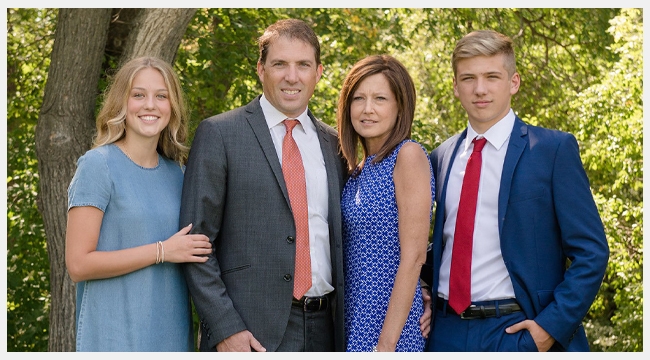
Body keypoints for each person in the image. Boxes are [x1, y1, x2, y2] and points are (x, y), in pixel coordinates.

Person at [420, 29, 609, 351]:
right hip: (444, 331)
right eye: (468, 78)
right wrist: (422, 286)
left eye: (492, 76)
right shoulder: (441, 156)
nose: (480, 89)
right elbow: (447, 243)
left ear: (514, 82)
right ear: (455, 86)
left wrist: (549, 328)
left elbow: (591, 252)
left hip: (516, 330)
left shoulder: (552, 150)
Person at [179, 18, 347, 352]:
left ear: (319, 72)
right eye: (279, 64)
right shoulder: (220, 134)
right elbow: (195, 244)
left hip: (327, 329)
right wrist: (225, 328)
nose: (292, 76)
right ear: (260, 69)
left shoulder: (335, 144)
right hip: (248, 332)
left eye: (303, 65)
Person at [65, 56, 213, 351]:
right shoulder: (98, 165)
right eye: (138, 95)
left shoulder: (179, 174)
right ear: (122, 103)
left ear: (172, 107)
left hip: (171, 338)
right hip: (113, 338)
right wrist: (162, 251)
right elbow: (78, 265)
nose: (150, 105)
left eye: (161, 96)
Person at [337, 54, 434, 352]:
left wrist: (386, 344)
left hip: (389, 329)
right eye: (359, 98)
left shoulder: (408, 156)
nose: (367, 109)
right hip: (353, 317)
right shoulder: (357, 170)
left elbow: (415, 256)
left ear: (400, 106)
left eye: (380, 98)